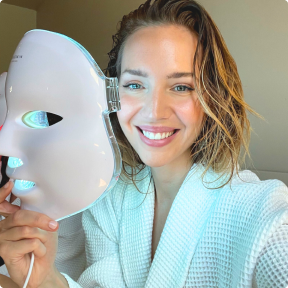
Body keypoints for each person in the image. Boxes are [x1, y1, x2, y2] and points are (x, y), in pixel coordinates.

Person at [0, 0, 288, 287]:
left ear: (213, 96)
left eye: (181, 87)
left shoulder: (265, 214)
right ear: (111, 95)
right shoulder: (111, 201)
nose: (154, 111)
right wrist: (46, 277)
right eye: (135, 85)